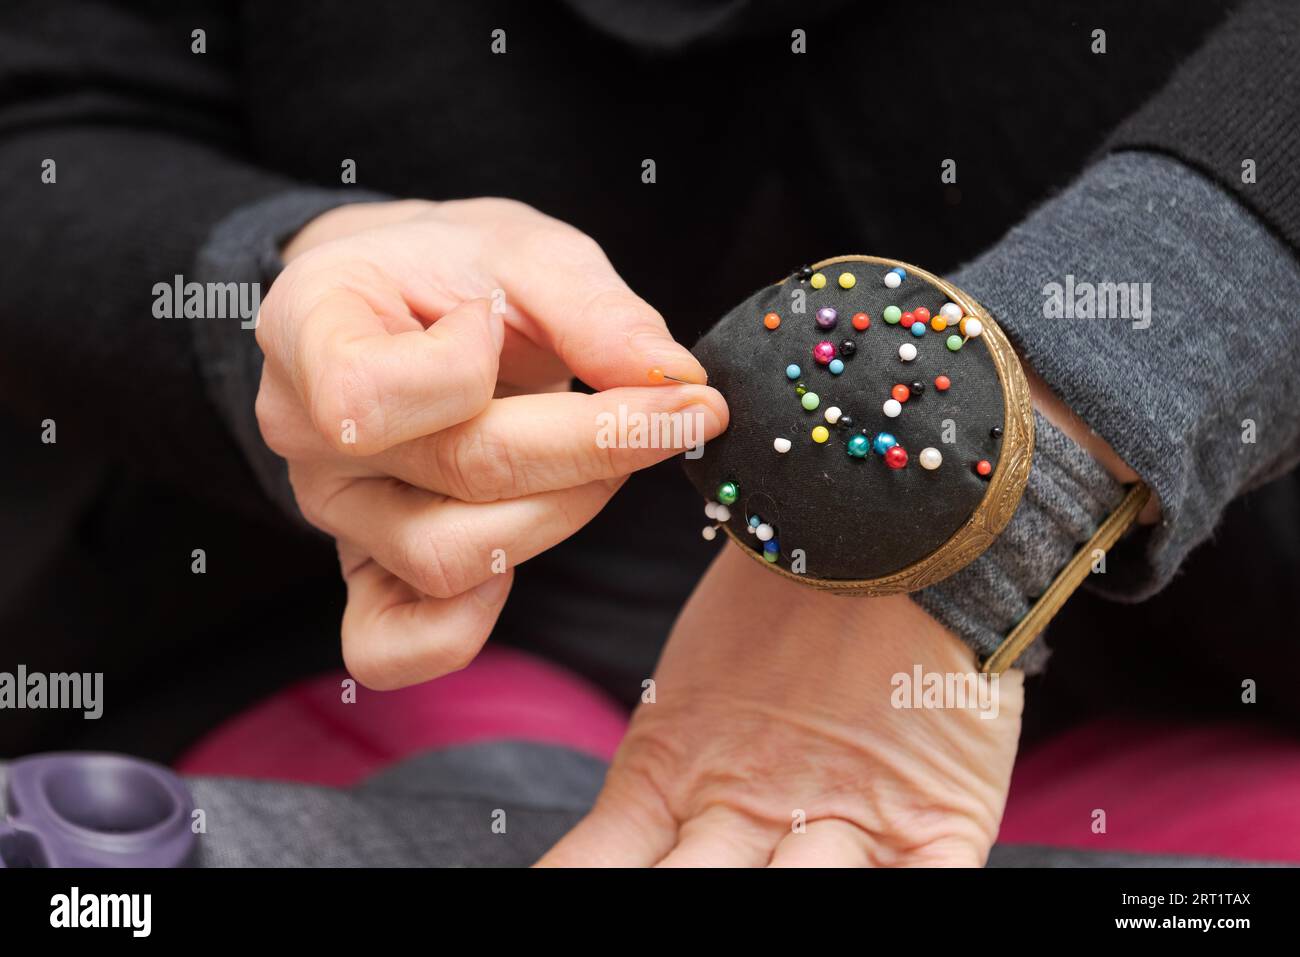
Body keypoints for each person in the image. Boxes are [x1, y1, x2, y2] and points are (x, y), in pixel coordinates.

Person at [2, 0, 1298, 865]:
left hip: (1217, 672)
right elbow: (45, 117)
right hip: (344, 657)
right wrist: (296, 280)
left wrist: (1053, 442)